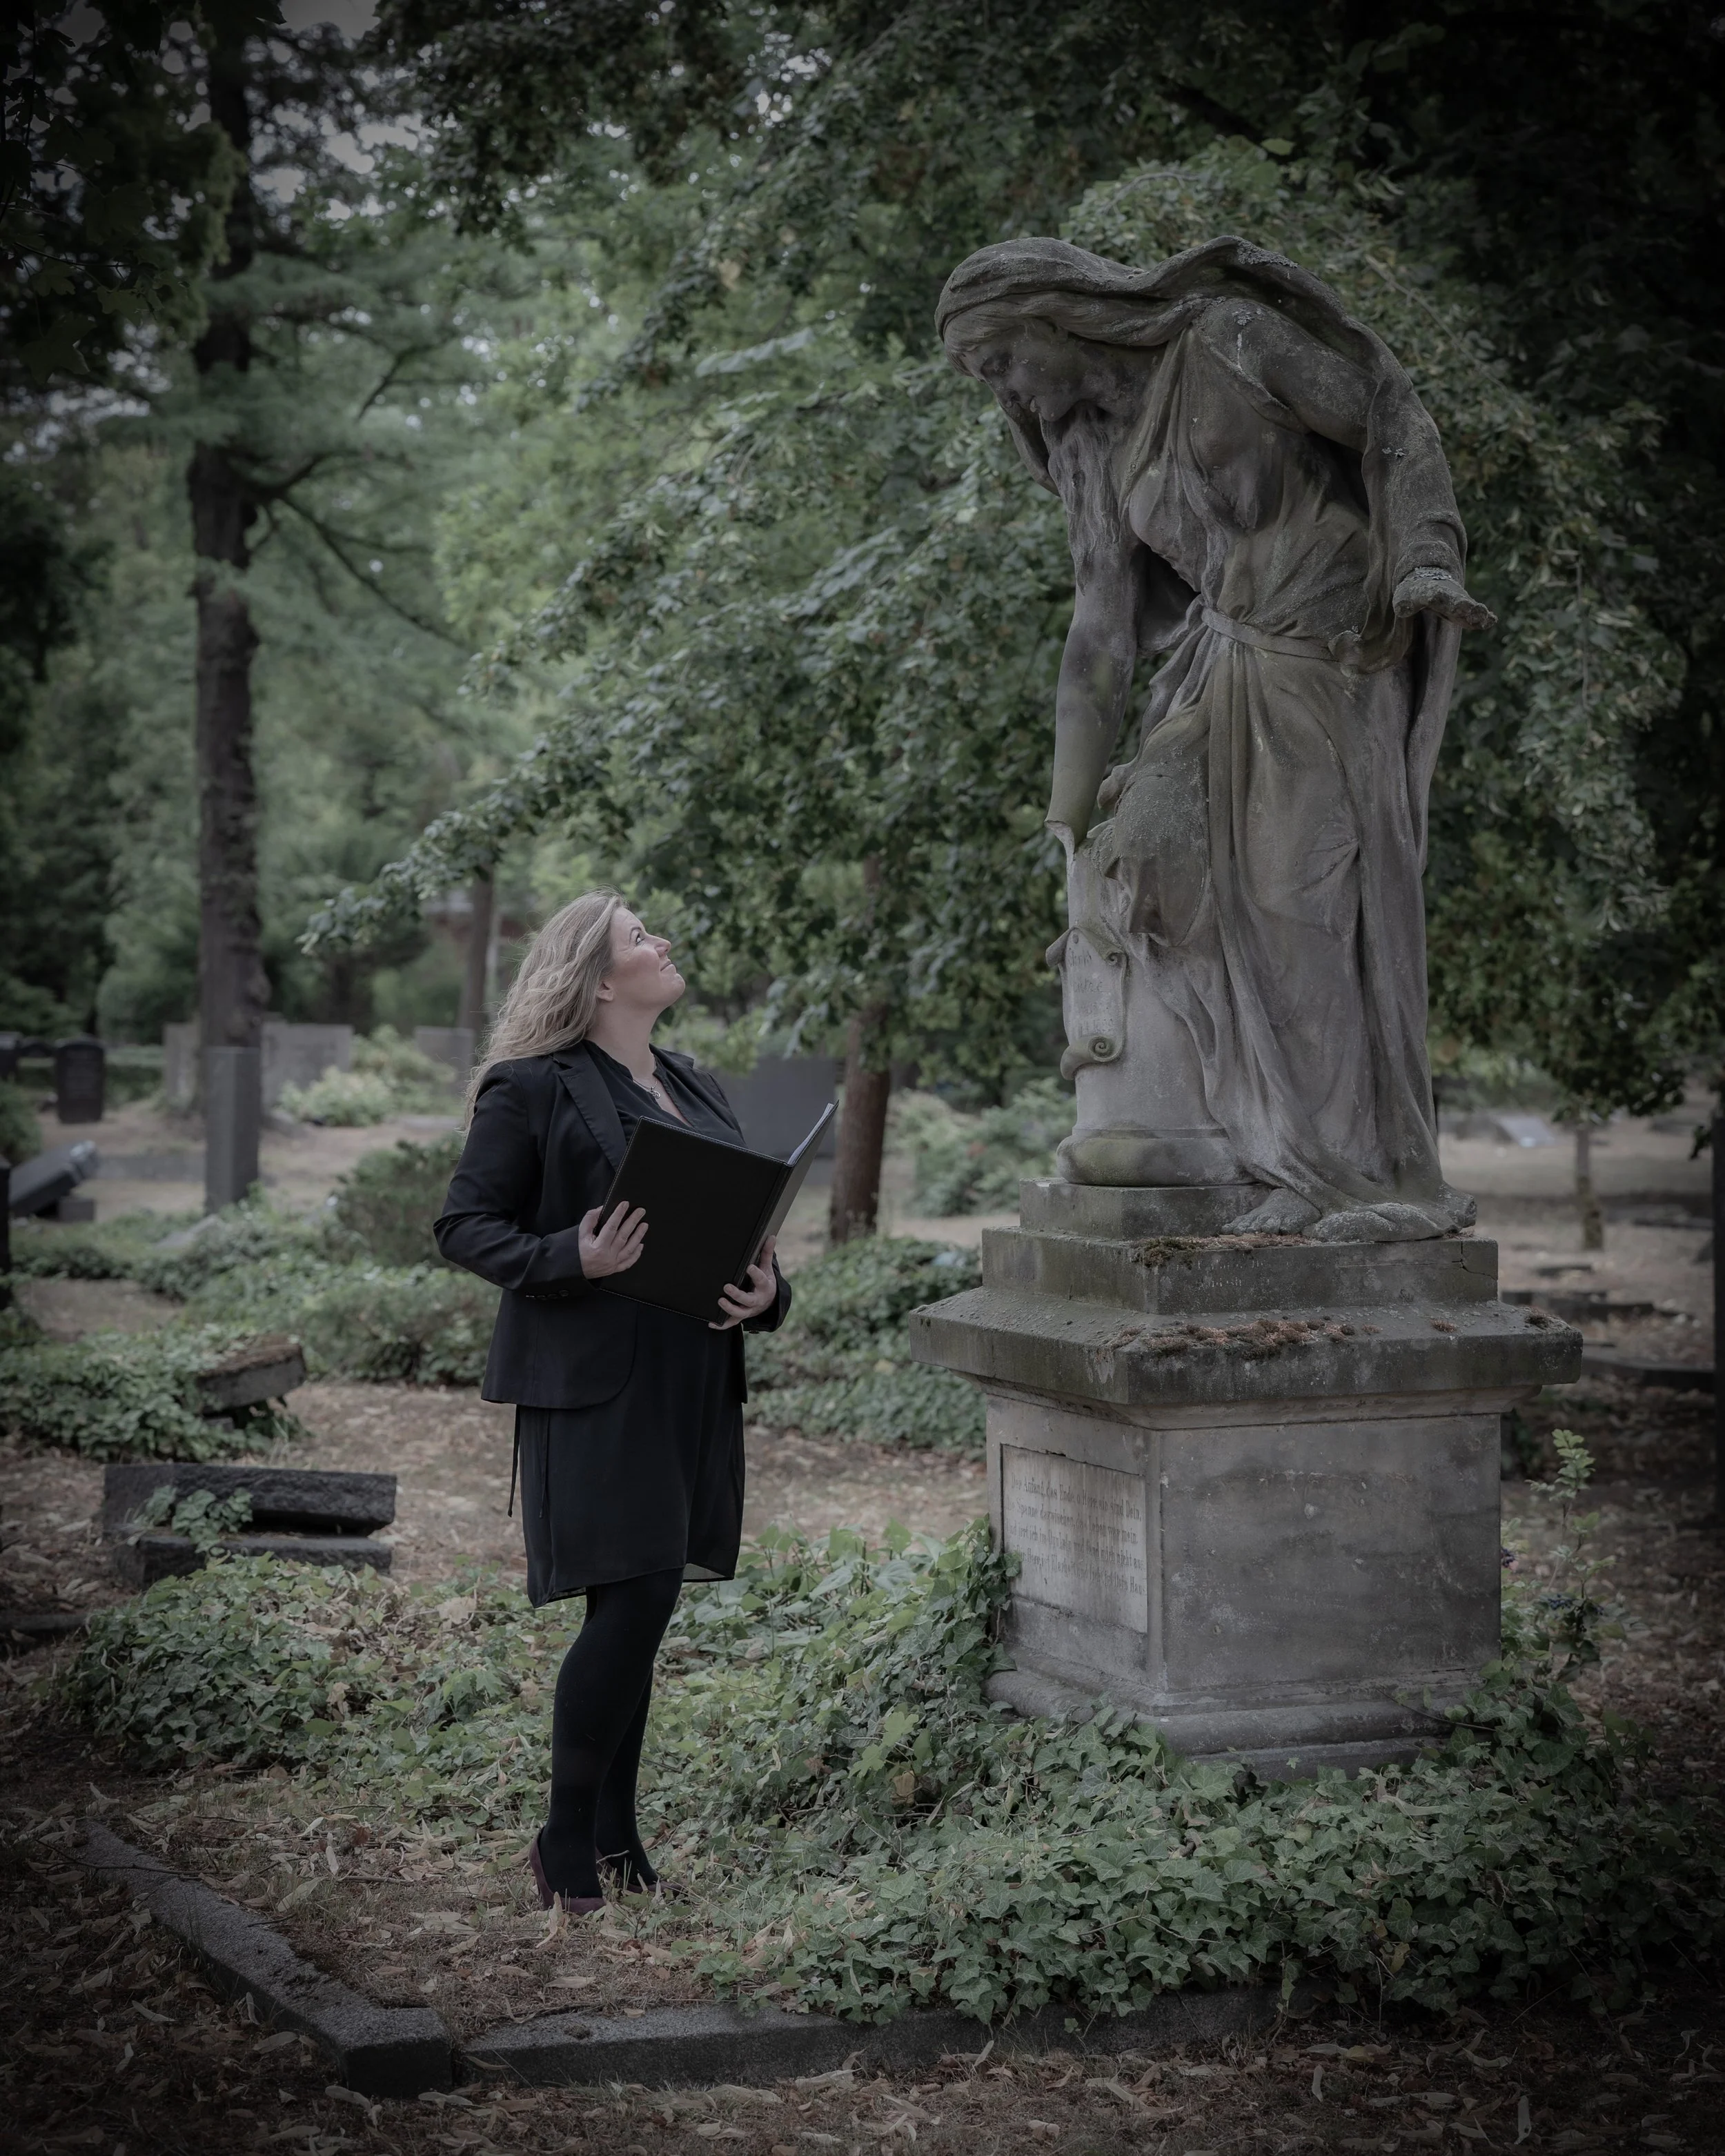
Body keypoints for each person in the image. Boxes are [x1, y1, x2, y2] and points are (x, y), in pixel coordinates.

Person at [937, 234, 1492, 1243]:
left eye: (1003, 361)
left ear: (1057, 315)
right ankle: (1246, 1144)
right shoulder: (1089, 447)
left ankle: (1357, 1178)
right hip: (1225, 659)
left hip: (1333, 651)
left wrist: (1423, 555)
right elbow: (1100, 632)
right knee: (1142, 855)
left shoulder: (1230, 338)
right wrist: (1064, 814)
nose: (1006, 394)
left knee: (1294, 904)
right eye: (987, 380)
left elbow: (1387, 412)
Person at [435, 890, 789, 1911]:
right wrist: (571, 1255)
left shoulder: (691, 1082)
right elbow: (465, 1226)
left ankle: (618, 1844)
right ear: (598, 978)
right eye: (642, 937)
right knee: (630, 1600)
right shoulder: (532, 1087)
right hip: (596, 1382)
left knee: (648, 1600)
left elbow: (742, 1225)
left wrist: (768, 1294)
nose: (664, 942)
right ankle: (563, 1844)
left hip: (693, 1375)